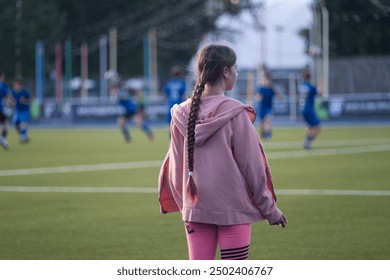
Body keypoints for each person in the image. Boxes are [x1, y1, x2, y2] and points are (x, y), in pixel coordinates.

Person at [158, 44, 287, 260]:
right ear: (226, 71)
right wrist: (270, 210)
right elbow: (253, 169)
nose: (236, 74)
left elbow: (174, 170)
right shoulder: (237, 113)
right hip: (233, 210)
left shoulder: (180, 114)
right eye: (235, 69)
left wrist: (188, 206)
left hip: (195, 209)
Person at [255, 69, 282, 140]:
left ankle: (268, 135)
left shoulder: (271, 89)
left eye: (266, 80)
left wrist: (279, 95)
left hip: (268, 108)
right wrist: (258, 98)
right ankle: (263, 135)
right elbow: (257, 96)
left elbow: (280, 96)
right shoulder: (260, 89)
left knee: (268, 120)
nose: (265, 81)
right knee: (261, 125)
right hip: (261, 108)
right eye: (264, 80)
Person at [298, 70, 322, 149]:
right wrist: (321, 84)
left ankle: (307, 142)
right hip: (308, 109)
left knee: (311, 127)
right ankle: (307, 142)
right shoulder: (311, 87)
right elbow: (320, 93)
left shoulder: (301, 86)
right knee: (318, 127)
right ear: (310, 78)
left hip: (302, 109)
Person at [11, 75, 31, 143]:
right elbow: (11, 102)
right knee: (16, 126)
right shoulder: (13, 92)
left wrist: (24, 100)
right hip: (17, 111)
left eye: (17, 84)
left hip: (25, 111)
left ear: (20, 84)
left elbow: (30, 101)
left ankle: (23, 137)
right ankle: (24, 136)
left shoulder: (25, 91)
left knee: (23, 123)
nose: (15, 85)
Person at [0, 70, 11, 150]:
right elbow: (9, 96)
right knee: (6, 125)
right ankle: (2, 139)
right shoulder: (2, 86)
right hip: (0, 109)